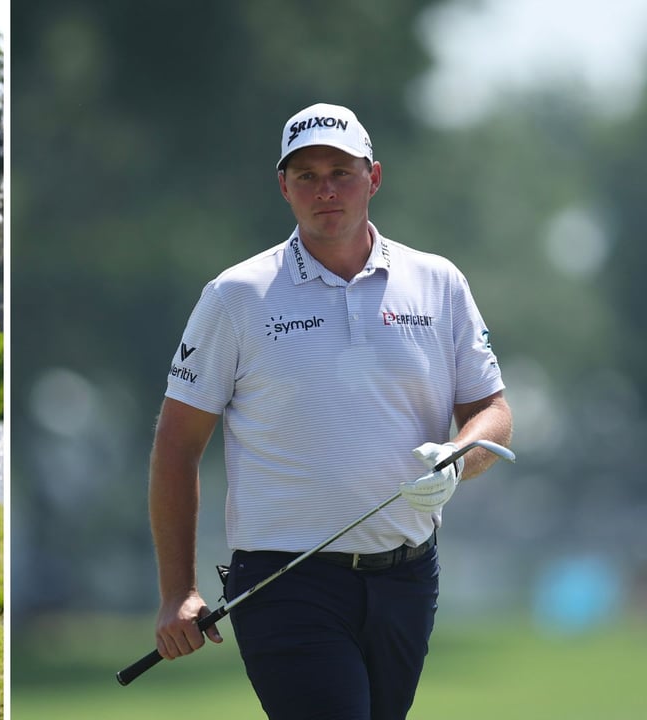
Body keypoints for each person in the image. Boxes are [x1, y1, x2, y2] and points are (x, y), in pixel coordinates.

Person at [149, 102, 513, 720]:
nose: (326, 190)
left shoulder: (438, 282)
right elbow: (176, 446)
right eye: (307, 175)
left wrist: (457, 461)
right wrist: (178, 592)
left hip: (407, 578)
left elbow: (493, 412)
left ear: (373, 178)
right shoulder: (236, 296)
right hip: (284, 582)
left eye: (341, 172)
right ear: (283, 186)